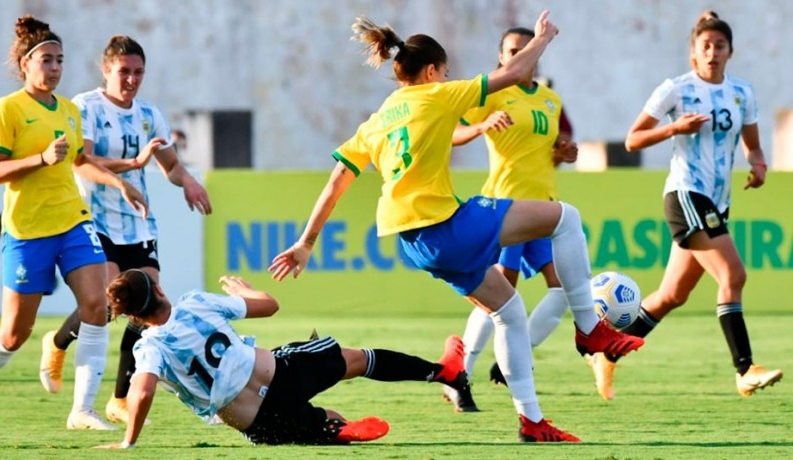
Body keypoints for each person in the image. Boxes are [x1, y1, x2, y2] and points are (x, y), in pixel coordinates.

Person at [269, 11, 645, 442]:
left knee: (509, 312)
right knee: (567, 218)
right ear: (431, 71)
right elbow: (518, 70)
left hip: (413, 242)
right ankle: (590, 331)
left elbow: (338, 180)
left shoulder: (376, 121)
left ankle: (532, 422)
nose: (447, 77)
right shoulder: (439, 94)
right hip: (447, 225)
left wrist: (305, 242)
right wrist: (542, 39)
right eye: (444, 71)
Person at [0, 16, 148, 431]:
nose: (55, 68)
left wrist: (120, 180)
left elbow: (79, 161)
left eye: (60, 61)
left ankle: (82, 410)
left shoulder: (70, 111)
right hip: (27, 231)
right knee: (14, 334)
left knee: (98, 305)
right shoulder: (8, 109)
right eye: (47, 60)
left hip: (73, 220)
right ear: (25, 65)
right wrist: (39, 159)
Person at [591, 10, 783, 400]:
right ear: (693, 54)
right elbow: (632, 139)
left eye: (720, 46)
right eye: (705, 46)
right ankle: (745, 369)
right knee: (734, 275)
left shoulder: (742, 92)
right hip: (685, 194)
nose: (713, 52)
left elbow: (753, 143)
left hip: (718, 200)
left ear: (731, 51)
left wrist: (759, 163)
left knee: (671, 295)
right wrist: (674, 128)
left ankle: (607, 350)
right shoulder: (676, 89)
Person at [38, 35, 213, 428]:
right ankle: (58, 341)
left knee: (146, 305)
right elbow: (80, 163)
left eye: (138, 72)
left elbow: (169, 164)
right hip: (95, 219)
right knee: (109, 300)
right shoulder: (85, 107)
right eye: (124, 72)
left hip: (139, 223)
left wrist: (187, 180)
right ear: (106, 71)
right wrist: (128, 169)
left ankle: (120, 399)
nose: (131, 79)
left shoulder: (149, 114)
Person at [94, 270, 469, 448]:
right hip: (280, 374)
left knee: (307, 424)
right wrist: (246, 290)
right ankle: (442, 372)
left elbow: (141, 393)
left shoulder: (149, 348)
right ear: (159, 288)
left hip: (255, 422)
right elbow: (270, 306)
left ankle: (332, 426)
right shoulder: (196, 303)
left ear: (133, 317)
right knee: (357, 359)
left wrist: (129, 442)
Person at [443, 26, 579, 412]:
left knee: (562, 289)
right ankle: (459, 377)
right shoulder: (493, 93)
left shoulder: (551, 100)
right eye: (511, 50)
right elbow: (450, 130)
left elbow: (544, 152)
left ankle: (511, 362)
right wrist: (482, 126)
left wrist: (563, 152)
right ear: (501, 57)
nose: (519, 55)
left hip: (543, 209)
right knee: (500, 295)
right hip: (503, 210)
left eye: (526, 49)